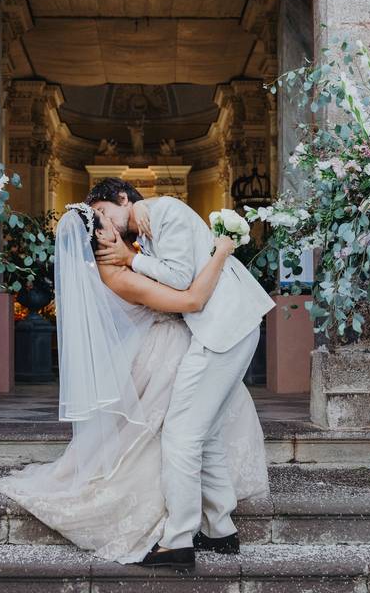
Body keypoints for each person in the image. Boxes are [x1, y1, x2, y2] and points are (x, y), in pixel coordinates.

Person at [0, 200, 268, 566]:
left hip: (215, 336)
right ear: (99, 234)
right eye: (105, 218)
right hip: (200, 337)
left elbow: (174, 274)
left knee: (191, 435)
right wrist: (221, 251)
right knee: (189, 436)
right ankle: (199, 534)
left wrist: (136, 241)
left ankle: (206, 531)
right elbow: (189, 298)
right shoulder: (119, 269)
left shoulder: (132, 246)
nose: (116, 221)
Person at [89, 178, 275, 568]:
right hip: (228, 327)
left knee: (180, 434)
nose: (102, 223)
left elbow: (179, 278)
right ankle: (220, 530)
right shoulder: (150, 227)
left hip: (220, 329)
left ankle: (177, 540)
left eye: (104, 212)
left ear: (123, 198)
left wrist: (129, 258)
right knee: (203, 434)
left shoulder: (165, 210)